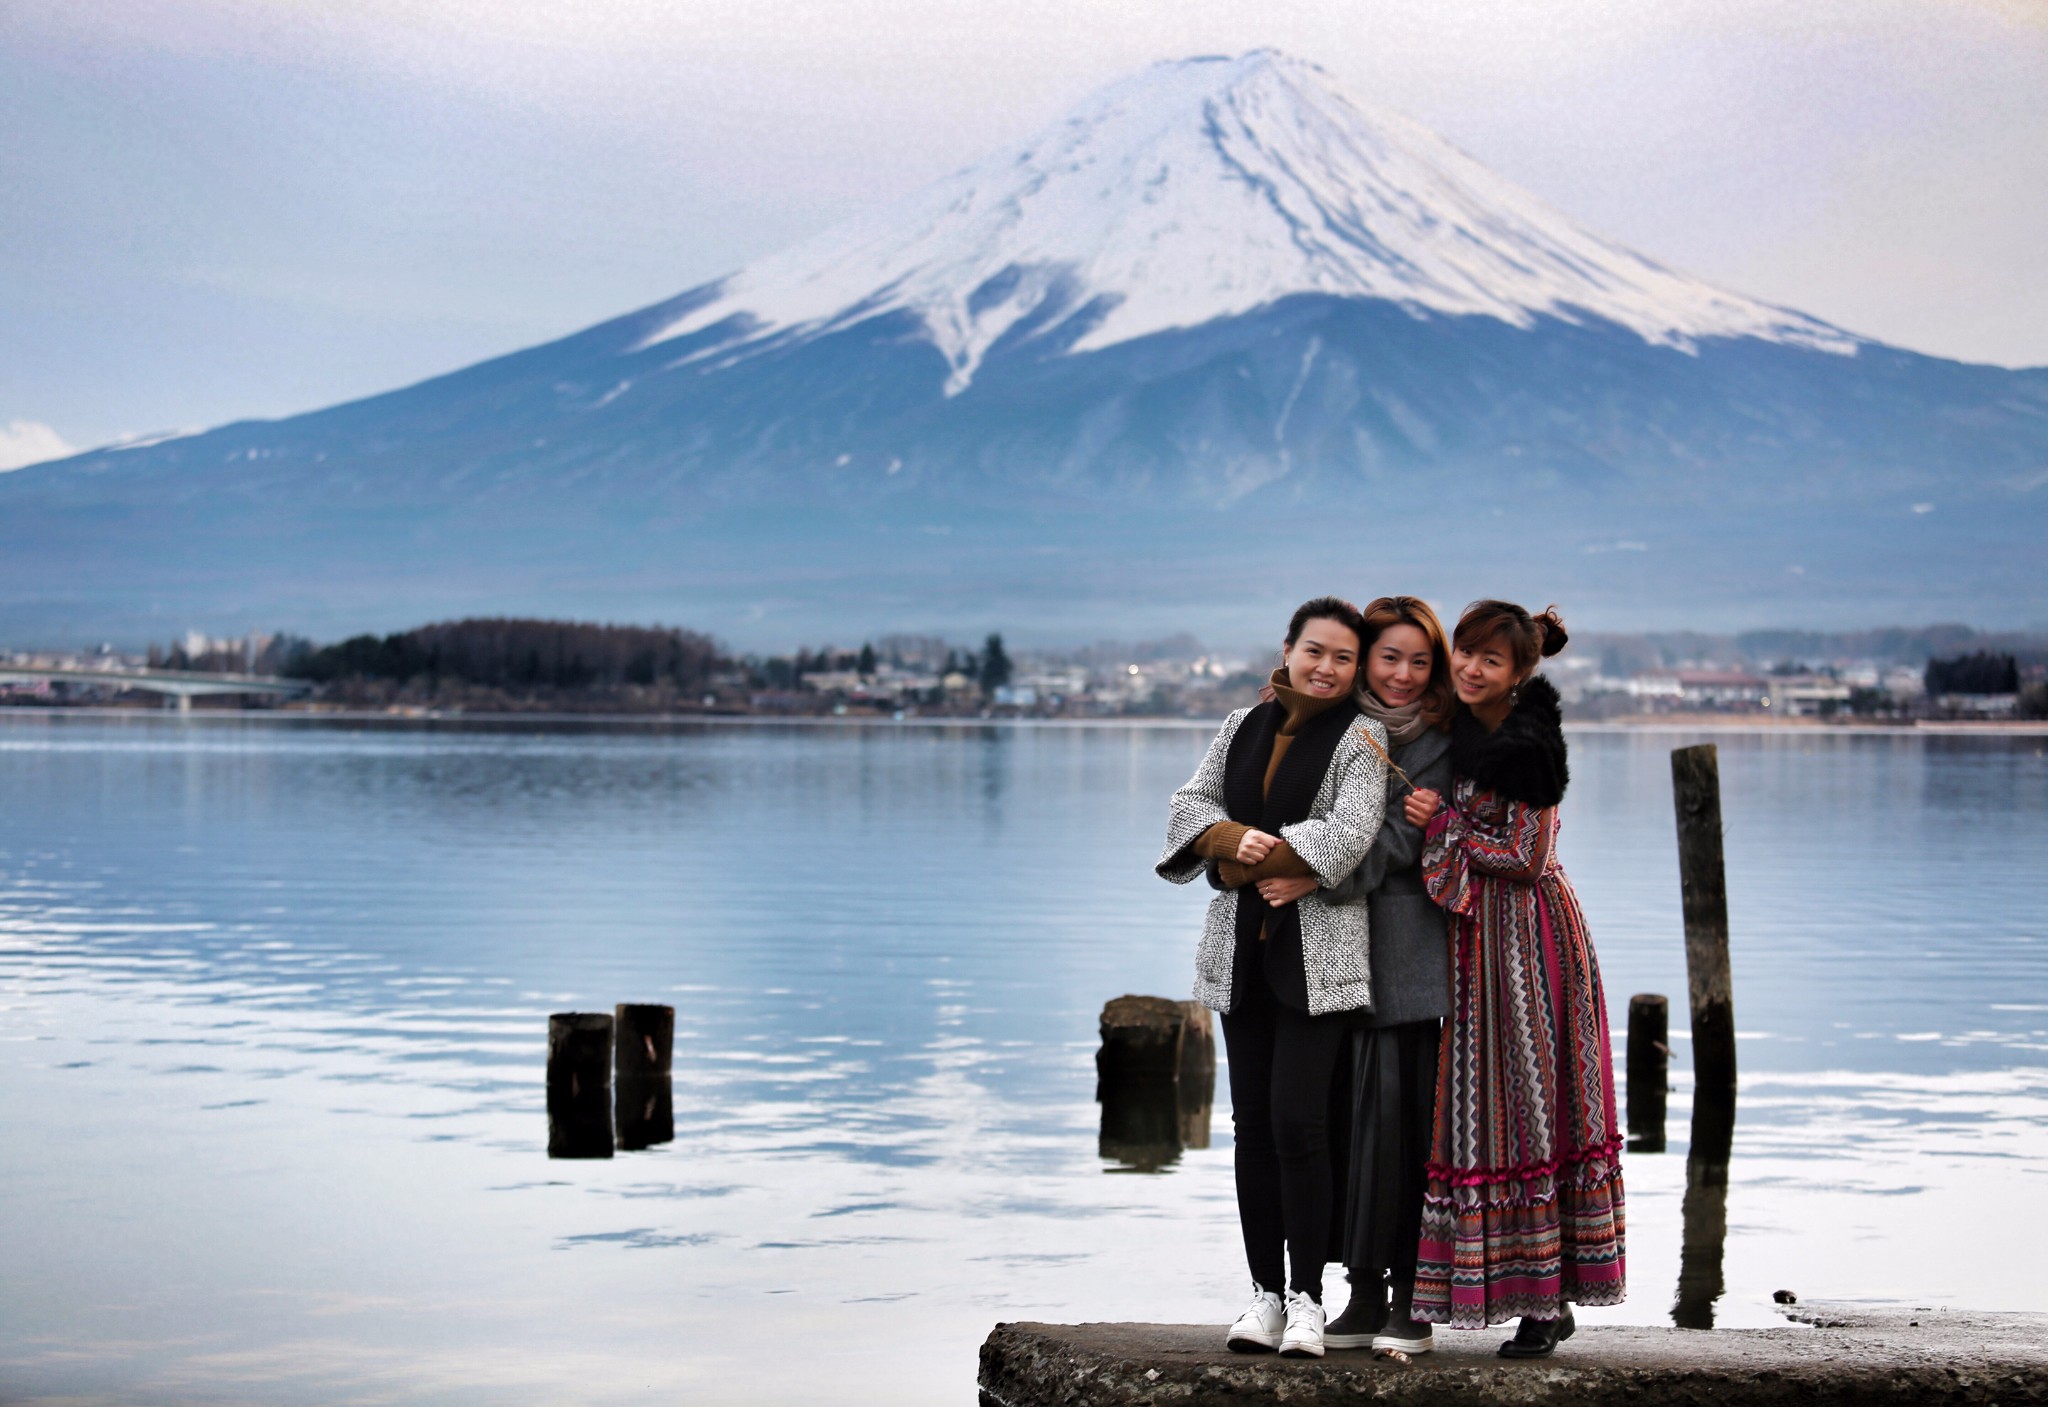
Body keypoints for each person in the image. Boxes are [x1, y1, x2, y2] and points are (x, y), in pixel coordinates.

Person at [1156, 597, 1389, 1359]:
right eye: (1314, 650)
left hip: (1318, 965)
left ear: (1356, 669)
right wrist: (1225, 841)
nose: (1326, 667)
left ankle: (1308, 1299)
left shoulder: (1363, 736)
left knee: (1301, 1125)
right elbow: (1191, 803)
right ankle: (1261, 1296)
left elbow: (1349, 835)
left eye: (1343, 658)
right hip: (1242, 958)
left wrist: (1244, 858)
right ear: (1287, 650)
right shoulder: (1239, 726)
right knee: (1252, 1128)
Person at [1403, 601, 1625, 1357]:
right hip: (1476, 944)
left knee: (1533, 1103)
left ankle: (1548, 1298)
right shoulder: (1460, 723)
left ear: (1519, 673)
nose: (1470, 668)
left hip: (1529, 939)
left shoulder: (1532, 743)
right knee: (1481, 1108)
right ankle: (1498, 1287)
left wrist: (1441, 825)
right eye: (1464, 653)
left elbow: (1525, 855)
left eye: (1489, 661)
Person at [1269, 596, 1456, 1357]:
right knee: (1342, 1124)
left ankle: (1411, 1297)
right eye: (1389, 657)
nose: (1404, 674)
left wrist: (1313, 872)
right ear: (1361, 658)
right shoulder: (1329, 727)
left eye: (1419, 660)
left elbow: (1395, 839)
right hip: (1331, 955)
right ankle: (1361, 1291)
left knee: (1403, 1128)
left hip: (1404, 963)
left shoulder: (1439, 740)